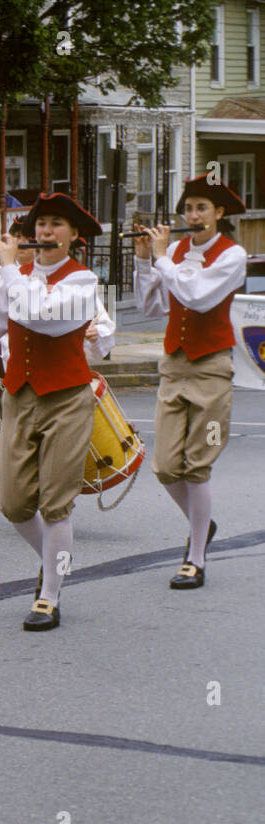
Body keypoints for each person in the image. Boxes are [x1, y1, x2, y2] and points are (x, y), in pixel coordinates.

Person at [0, 193, 104, 631]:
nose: (45, 231)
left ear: (73, 235)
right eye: (40, 225)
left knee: (56, 504)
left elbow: (39, 315)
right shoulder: (15, 275)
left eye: (56, 224)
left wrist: (6, 269)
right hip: (19, 395)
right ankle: (55, 558)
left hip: (66, 398)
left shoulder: (83, 281)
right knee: (14, 504)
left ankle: (49, 596)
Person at [133, 174, 247, 590]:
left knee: (197, 465)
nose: (193, 216)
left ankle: (195, 558)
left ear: (219, 213)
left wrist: (162, 259)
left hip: (212, 367)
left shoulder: (233, 255)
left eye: (201, 208)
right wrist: (144, 261)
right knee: (165, 467)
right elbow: (151, 307)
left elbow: (198, 297)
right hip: (174, 364)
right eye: (188, 208)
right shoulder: (177, 251)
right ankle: (204, 523)